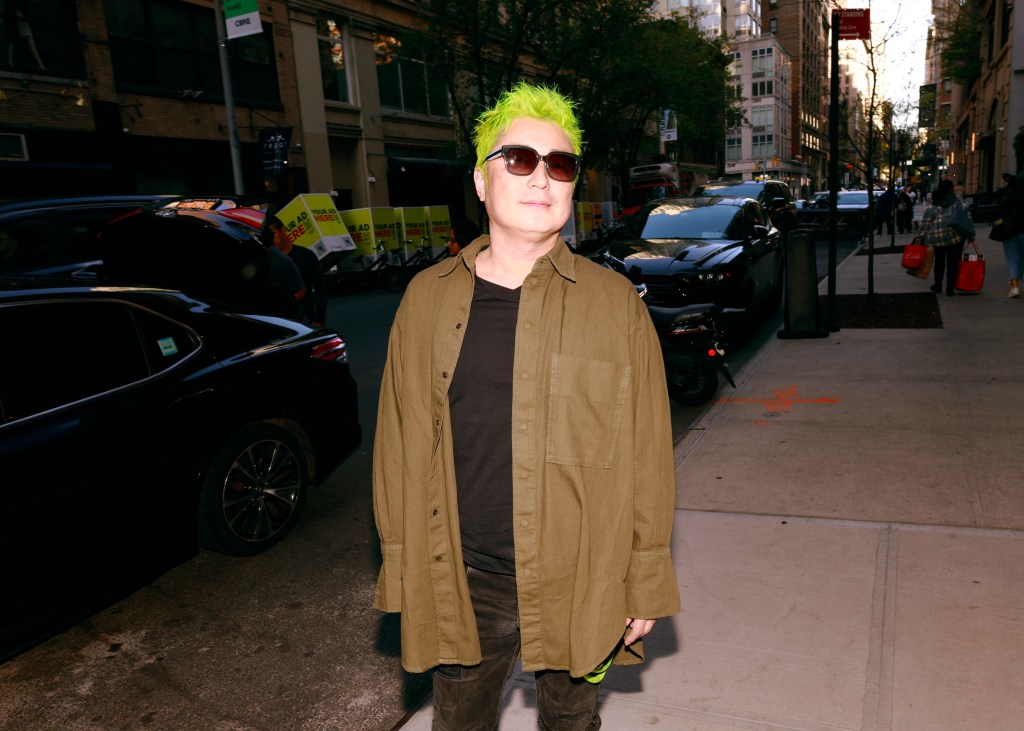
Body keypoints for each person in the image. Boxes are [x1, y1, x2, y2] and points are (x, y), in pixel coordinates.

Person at [371, 82, 680, 730]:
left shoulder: (615, 305)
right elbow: (397, 445)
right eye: (519, 159)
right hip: (464, 578)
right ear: (480, 182)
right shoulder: (425, 300)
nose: (541, 177)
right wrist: (402, 564)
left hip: (581, 577)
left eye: (559, 164)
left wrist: (645, 575)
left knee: (572, 721)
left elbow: (648, 453)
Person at [266, 215, 327, 326]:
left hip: (305, 319)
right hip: (278, 321)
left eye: (273, 234)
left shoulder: (306, 256)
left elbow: (320, 289)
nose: (271, 241)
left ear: (283, 231)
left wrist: (319, 319)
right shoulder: (265, 260)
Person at [920, 178, 972, 296]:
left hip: (937, 236)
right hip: (955, 236)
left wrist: (922, 236)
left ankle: (938, 285)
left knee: (939, 261)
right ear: (951, 189)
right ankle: (950, 288)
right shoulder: (959, 201)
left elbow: (927, 221)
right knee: (953, 262)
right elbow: (967, 217)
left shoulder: (935, 202)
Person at [258, 220, 307, 322]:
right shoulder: (258, 257)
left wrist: (280, 306)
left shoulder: (281, 261)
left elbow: (300, 292)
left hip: (287, 318)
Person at [997, 171, 1024, 298]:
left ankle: (1014, 287)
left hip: (1010, 231)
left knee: (1012, 258)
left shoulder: (1012, 194)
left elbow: (1001, 210)